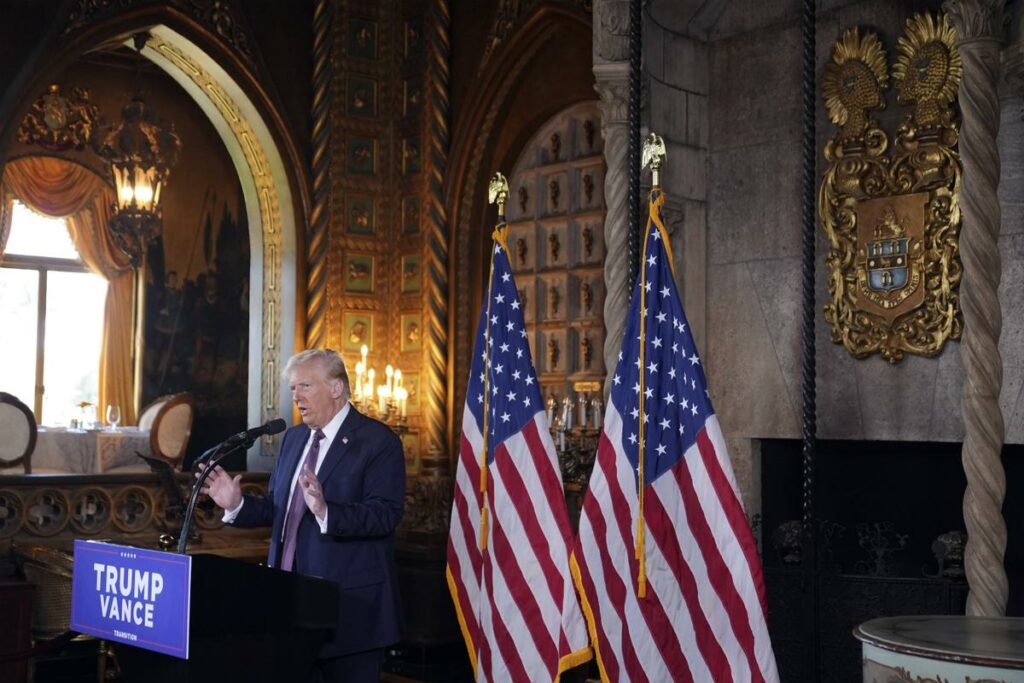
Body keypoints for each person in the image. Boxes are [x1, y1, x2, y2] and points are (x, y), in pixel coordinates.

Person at [201, 348, 405, 682]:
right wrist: (235, 503)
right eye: (293, 388)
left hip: (349, 612)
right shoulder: (295, 438)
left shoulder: (378, 442)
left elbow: (386, 514)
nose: (295, 396)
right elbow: (278, 508)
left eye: (305, 386)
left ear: (336, 388)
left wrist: (327, 511)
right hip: (290, 610)